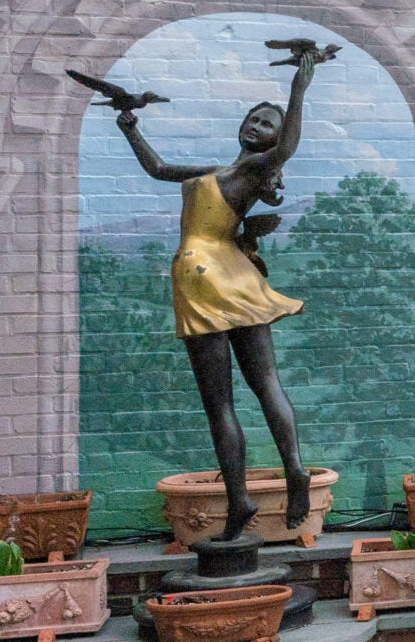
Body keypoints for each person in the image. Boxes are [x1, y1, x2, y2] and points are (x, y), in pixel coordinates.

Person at [109, 39, 338, 541]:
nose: (257, 127)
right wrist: (131, 130)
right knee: (265, 382)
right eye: (254, 119)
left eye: (267, 124)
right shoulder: (220, 172)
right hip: (233, 269)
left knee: (225, 401)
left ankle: (242, 500)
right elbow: (159, 170)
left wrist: (299, 86)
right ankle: (287, 472)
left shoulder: (252, 169)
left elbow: (288, 147)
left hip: (202, 274)